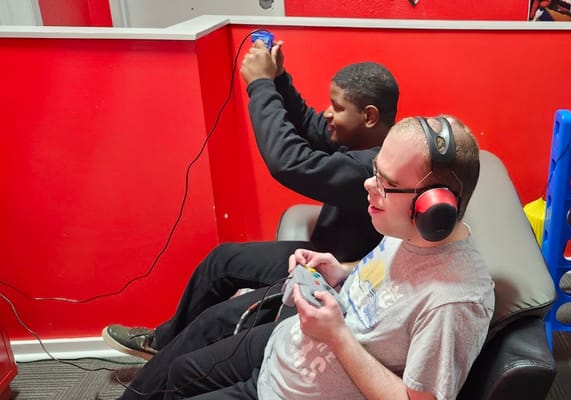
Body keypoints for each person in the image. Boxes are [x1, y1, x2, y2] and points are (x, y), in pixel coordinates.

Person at [131, 115, 494, 400]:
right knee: (178, 373)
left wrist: (337, 337)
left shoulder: (453, 301)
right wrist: (342, 271)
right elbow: (387, 283)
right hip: (284, 347)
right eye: (374, 172)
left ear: (433, 209)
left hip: (289, 391)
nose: (369, 186)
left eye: (384, 183)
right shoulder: (410, 232)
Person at [102, 38, 399, 367]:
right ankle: (165, 342)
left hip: (336, 276)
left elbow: (289, 162)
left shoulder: (373, 168)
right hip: (318, 254)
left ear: (369, 116)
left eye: (338, 107)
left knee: (215, 322)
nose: (328, 113)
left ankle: (166, 372)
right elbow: (312, 124)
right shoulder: (362, 138)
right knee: (223, 261)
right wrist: (280, 78)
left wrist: (260, 85)